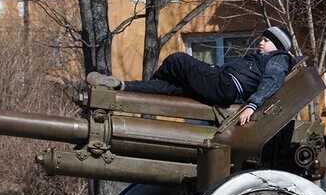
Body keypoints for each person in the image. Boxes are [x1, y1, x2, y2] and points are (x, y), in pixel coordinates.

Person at [86, 25, 294, 126]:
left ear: (278, 46)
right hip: (221, 82)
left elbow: (272, 81)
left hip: (227, 87)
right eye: (262, 39)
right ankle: (122, 86)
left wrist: (252, 105)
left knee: (178, 60)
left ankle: (148, 85)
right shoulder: (261, 57)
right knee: (172, 89)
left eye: (266, 40)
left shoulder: (279, 58)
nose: (261, 42)